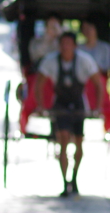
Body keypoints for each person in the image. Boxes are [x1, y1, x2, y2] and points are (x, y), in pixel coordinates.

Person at [34, 32, 103, 197]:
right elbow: (39, 84)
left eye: (68, 43)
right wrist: (41, 106)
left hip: (79, 104)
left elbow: (98, 85)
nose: (65, 47)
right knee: (63, 139)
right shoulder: (51, 61)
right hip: (61, 105)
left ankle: (75, 177)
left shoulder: (84, 61)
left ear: (74, 46)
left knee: (79, 143)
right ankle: (65, 182)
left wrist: (98, 107)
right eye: (62, 43)